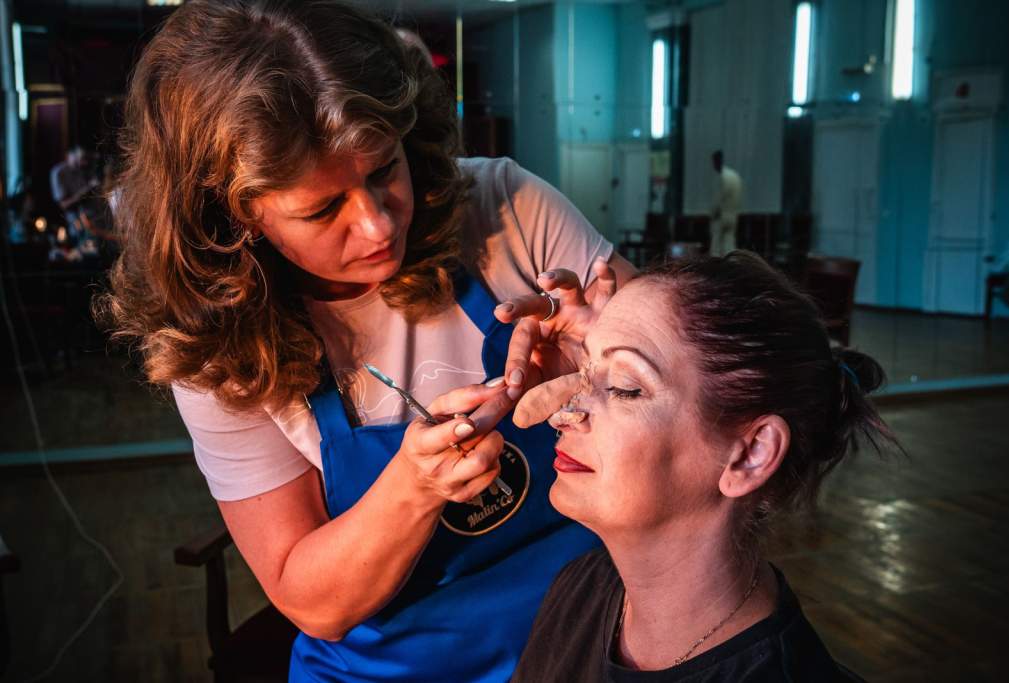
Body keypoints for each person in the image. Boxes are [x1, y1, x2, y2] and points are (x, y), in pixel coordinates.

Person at [94, 1, 634, 681]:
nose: (378, 225)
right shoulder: (218, 346)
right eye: (323, 208)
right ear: (238, 215)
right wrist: (412, 489)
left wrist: (607, 365)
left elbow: (699, 389)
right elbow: (312, 601)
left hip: (591, 631)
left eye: (384, 170)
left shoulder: (503, 210)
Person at [511, 251, 898, 682]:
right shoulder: (581, 588)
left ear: (750, 454)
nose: (564, 413)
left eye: (624, 387)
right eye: (582, 371)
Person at [50, 145, 100, 244]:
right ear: (69, 156)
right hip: (75, 226)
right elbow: (64, 205)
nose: (84, 163)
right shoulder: (59, 173)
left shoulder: (83, 168)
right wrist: (86, 190)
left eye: (85, 159)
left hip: (93, 222)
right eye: (80, 159)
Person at [709, 150, 742, 256]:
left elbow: (719, 199)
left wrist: (712, 213)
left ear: (717, 161)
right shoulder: (734, 175)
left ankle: (715, 265)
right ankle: (731, 263)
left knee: (716, 246)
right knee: (729, 244)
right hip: (732, 215)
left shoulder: (723, 177)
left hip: (721, 216)